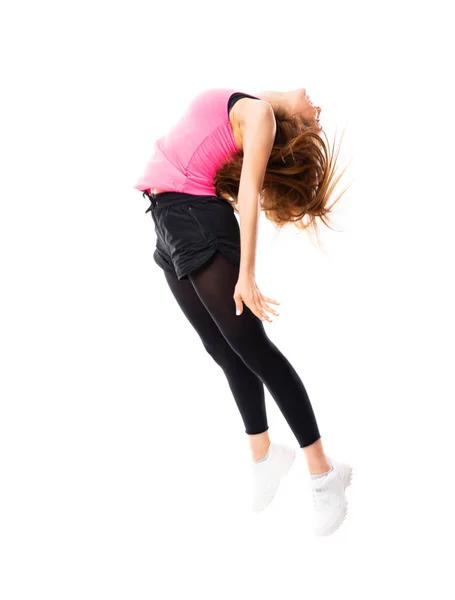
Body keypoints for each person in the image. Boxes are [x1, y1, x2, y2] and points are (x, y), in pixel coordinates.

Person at [134, 87, 352, 536]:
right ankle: (265, 454)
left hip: (196, 218)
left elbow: (250, 192)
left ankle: (323, 472)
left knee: (254, 348)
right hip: (167, 214)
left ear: (295, 125)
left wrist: (246, 274)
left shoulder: (263, 117)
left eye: (316, 118)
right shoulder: (250, 103)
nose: (318, 105)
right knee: (220, 347)